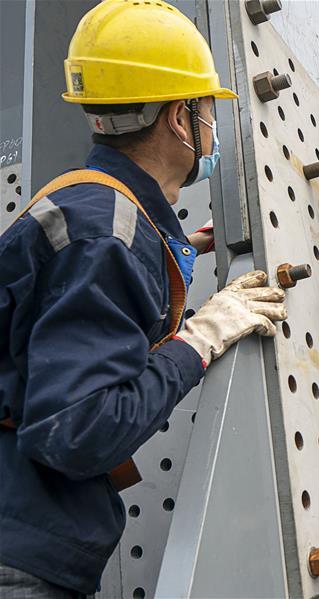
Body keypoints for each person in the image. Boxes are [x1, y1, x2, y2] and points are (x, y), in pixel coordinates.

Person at [0, 1, 286, 595]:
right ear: (181, 117)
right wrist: (199, 341)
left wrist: (175, 252)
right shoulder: (108, 236)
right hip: (21, 549)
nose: (212, 122)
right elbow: (80, 433)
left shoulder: (94, 206)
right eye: (207, 107)